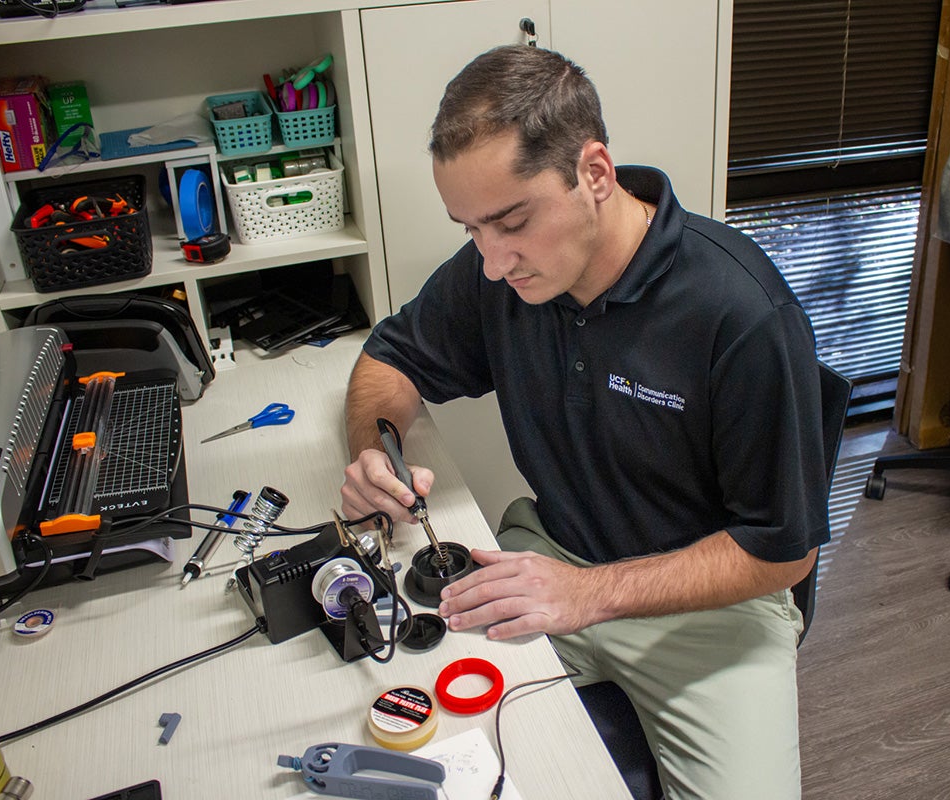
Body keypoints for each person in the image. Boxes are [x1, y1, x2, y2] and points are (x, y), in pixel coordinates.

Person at [339, 44, 828, 800]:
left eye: (511, 222)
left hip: (713, 608)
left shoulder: (740, 315)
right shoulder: (500, 274)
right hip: (553, 554)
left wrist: (591, 593)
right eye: (471, 230)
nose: (493, 261)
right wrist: (375, 451)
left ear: (594, 173)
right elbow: (388, 360)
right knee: (414, 740)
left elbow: (782, 552)